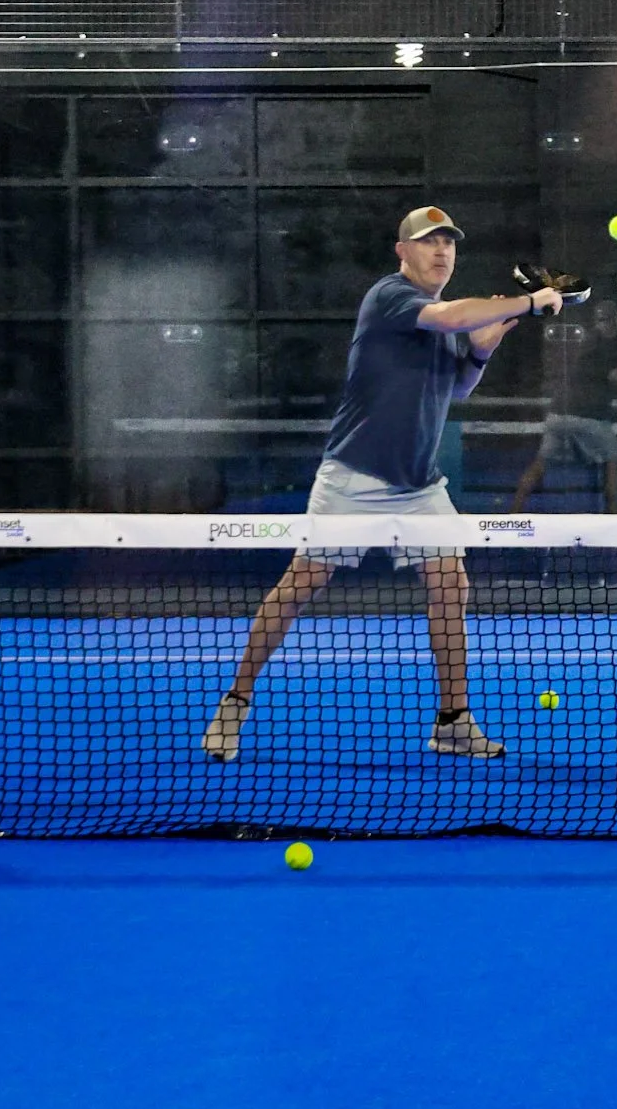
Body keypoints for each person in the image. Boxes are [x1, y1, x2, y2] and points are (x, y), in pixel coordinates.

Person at [201, 207, 563, 762]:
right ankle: (235, 702)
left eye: (448, 243)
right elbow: (449, 320)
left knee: (451, 587)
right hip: (354, 477)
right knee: (300, 587)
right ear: (403, 251)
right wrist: (530, 302)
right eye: (428, 242)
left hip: (419, 485)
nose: (441, 251)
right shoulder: (391, 298)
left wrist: (483, 351)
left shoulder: (447, 319)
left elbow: (457, 390)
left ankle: (452, 721)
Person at [510, 298, 617, 514]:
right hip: (589, 417)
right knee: (613, 459)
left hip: (558, 414)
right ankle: (615, 517)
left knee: (540, 464)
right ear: (613, 321)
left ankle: (513, 515)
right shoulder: (609, 346)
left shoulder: (585, 341)